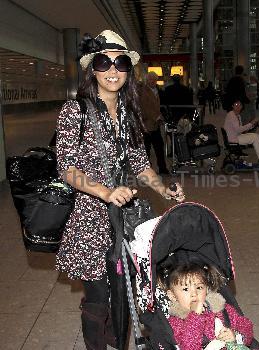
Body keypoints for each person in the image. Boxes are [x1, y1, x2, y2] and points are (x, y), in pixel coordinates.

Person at [55, 30, 185, 350]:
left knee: (126, 289)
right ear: (93, 70)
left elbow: (140, 164)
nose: (113, 70)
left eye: (120, 62)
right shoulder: (75, 112)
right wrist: (105, 192)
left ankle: (119, 342)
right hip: (90, 220)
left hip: (124, 219)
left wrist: (164, 189)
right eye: (104, 62)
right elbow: (67, 168)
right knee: (99, 296)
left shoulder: (128, 115)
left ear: (128, 71)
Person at [159, 262, 255, 350]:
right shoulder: (175, 322)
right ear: (172, 295)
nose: (194, 293)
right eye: (185, 289)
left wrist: (237, 336)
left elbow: (246, 326)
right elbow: (188, 347)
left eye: (199, 287)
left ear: (207, 289)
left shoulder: (222, 309)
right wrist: (195, 317)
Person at [139, 71, 169, 174]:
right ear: (147, 80)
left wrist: (159, 116)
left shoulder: (156, 90)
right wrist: (156, 117)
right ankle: (147, 170)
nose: (153, 81)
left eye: (154, 80)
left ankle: (162, 168)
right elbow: (144, 107)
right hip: (147, 124)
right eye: (151, 79)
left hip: (155, 125)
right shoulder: (143, 91)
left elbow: (155, 107)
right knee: (147, 150)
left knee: (159, 148)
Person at [224, 99, 259, 167]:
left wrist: (252, 125)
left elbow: (241, 129)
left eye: (240, 105)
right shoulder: (232, 116)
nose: (238, 106)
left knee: (256, 135)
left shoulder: (236, 115)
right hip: (234, 138)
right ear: (232, 106)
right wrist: (251, 123)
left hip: (235, 136)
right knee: (255, 137)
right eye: (236, 105)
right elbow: (239, 130)